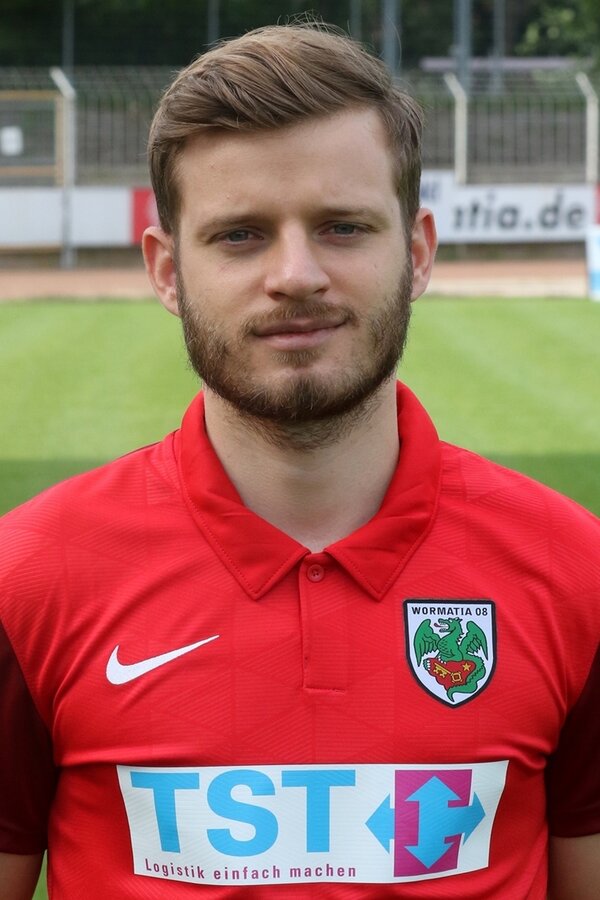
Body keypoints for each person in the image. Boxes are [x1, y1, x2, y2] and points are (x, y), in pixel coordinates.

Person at [0, 22, 598, 900]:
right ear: (166, 270)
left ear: (418, 252)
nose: (296, 274)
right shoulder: (28, 579)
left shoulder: (576, 571)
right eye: (241, 235)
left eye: (343, 227)